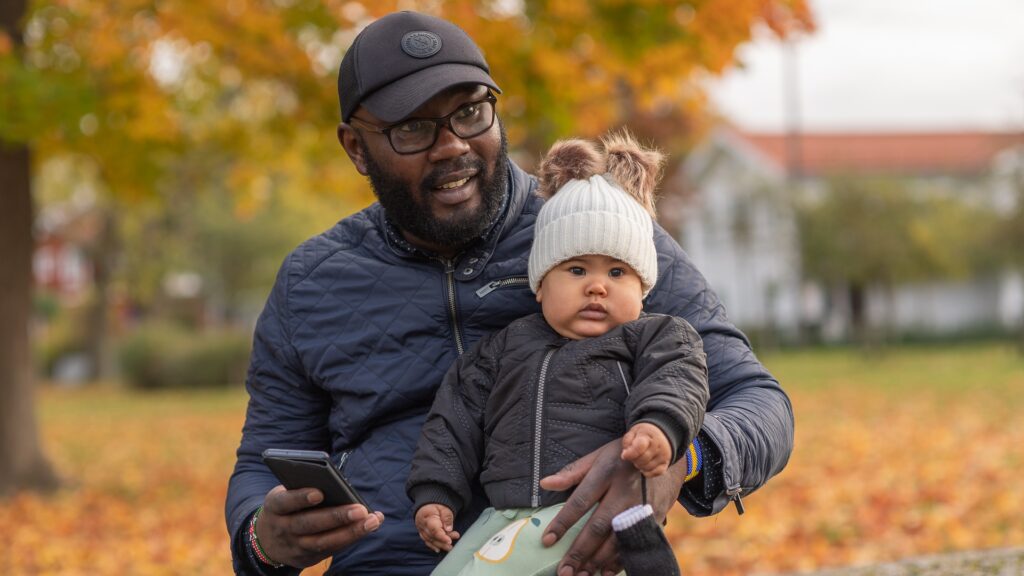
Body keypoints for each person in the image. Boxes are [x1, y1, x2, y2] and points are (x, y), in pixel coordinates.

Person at [225, 10, 794, 576]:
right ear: (355, 148)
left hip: (562, 559)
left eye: (470, 112)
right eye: (413, 128)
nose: (451, 146)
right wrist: (263, 537)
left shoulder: (600, 233)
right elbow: (263, 460)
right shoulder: (312, 281)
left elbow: (761, 404)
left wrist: (675, 463)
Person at [407, 133, 707, 576]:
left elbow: (677, 379)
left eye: (618, 271)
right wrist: (435, 494)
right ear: (541, 284)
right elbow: (453, 421)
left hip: (585, 509)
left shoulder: (655, 336)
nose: (597, 285)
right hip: (502, 516)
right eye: (576, 269)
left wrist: (657, 428)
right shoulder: (502, 349)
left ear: (643, 289)